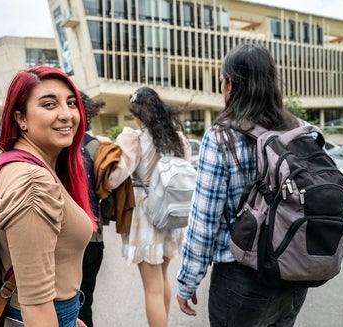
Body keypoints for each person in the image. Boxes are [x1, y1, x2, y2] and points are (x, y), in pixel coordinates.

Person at [176, 43, 308, 326]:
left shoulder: (222, 137)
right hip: (295, 273)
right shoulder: (301, 129)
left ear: (230, 84)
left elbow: (204, 221)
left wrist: (188, 281)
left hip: (242, 277)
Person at [0, 65, 96, 327]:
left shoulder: (28, 166)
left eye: (71, 103)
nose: (67, 114)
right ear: (20, 119)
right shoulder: (33, 183)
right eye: (49, 104)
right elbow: (36, 309)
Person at [108, 86, 191, 327]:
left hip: (146, 215)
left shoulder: (134, 138)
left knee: (152, 288)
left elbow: (115, 178)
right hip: (172, 212)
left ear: (138, 114)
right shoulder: (178, 138)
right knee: (162, 278)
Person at [78, 91, 106, 327]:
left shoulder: (52, 144)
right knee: (84, 300)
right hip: (94, 236)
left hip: (67, 240)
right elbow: (104, 189)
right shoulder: (93, 145)